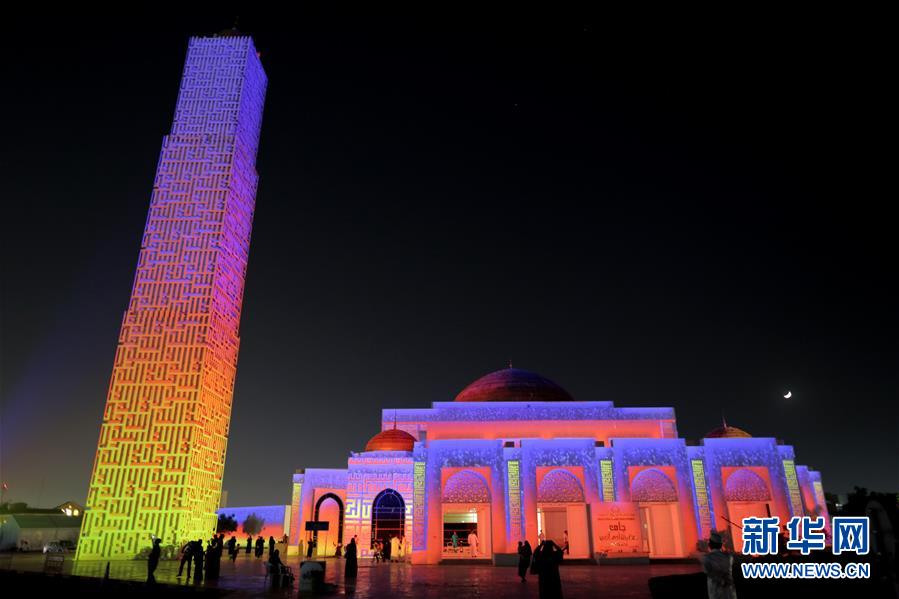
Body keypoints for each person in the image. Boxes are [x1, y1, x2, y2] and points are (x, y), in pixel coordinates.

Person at [701, 531, 737, 599]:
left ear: (710, 545)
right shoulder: (729, 557)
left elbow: (707, 572)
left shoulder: (707, 558)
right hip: (730, 593)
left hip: (715, 593)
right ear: (721, 545)